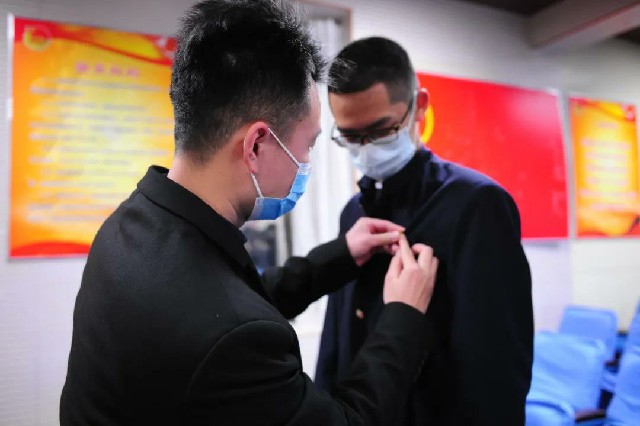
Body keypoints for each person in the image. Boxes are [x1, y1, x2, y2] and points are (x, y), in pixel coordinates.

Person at [60, 2, 439, 425]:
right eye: (308, 145)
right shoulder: (235, 340)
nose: (306, 162)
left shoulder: (131, 226)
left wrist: (341, 256)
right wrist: (403, 317)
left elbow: (232, 297)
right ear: (256, 145)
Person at [315, 37, 534, 425]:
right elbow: (338, 336)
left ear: (420, 106)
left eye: (381, 130)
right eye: (350, 137)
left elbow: (497, 368)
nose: (366, 149)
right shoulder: (353, 213)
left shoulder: (476, 205)